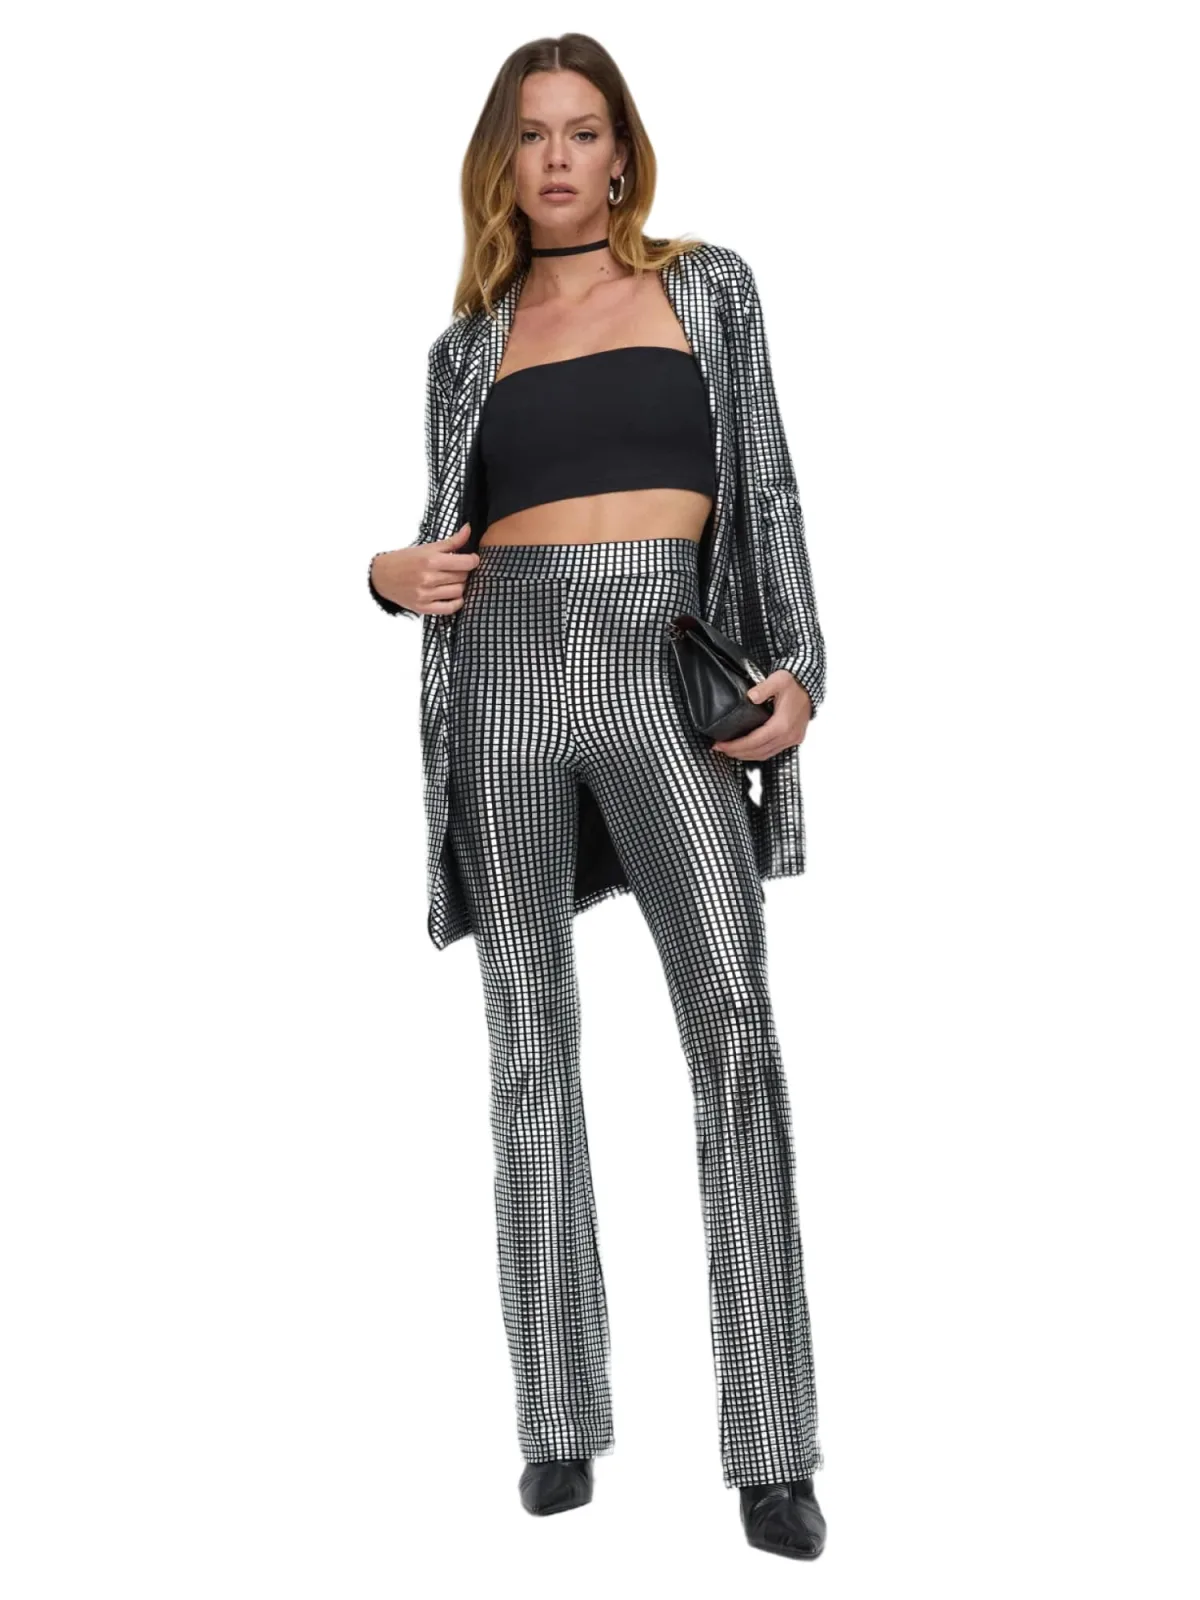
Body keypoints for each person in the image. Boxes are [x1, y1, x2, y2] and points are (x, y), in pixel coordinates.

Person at [368, 34, 829, 1561]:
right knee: (528, 1045)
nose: (557, 158)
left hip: (658, 659)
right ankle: (556, 1421)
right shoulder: (465, 349)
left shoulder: (709, 288)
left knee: (735, 1031)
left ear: (622, 151)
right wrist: (383, 574)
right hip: (504, 673)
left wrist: (802, 670)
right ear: (501, 162)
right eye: (530, 134)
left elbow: (768, 490)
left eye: (582, 131)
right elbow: (441, 538)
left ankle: (771, 1448)